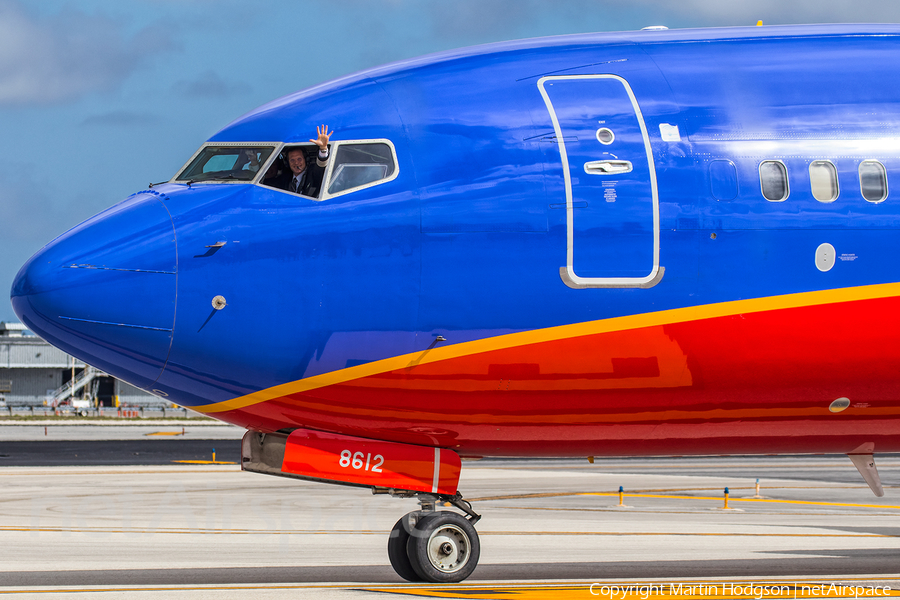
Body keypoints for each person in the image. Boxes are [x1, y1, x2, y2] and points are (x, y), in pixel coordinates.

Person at [281, 125, 334, 197]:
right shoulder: (284, 179)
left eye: (299, 159)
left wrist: (323, 149)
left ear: (306, 159)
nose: (296, 163)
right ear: (287, 163)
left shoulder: (313, 174)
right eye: (292, 160)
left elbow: (321, 167)